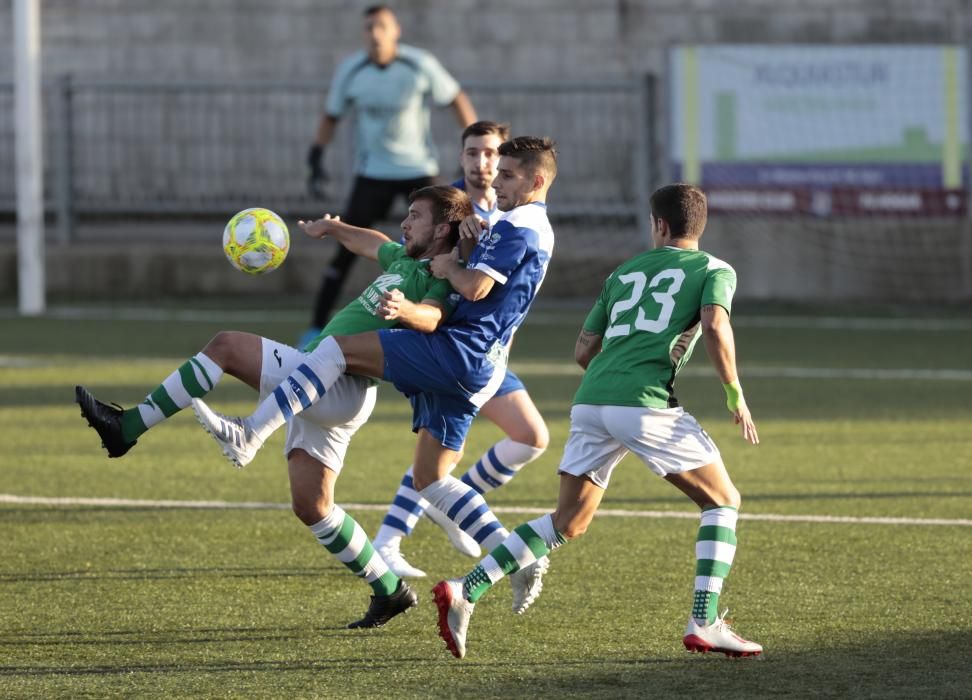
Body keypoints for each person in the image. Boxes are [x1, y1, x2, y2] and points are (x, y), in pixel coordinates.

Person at [75, 185, 474, 630]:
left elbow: (434, 316)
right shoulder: (403, 257)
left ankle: (127, 427)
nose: (404, 223)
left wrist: (406, 310)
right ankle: (389, 591)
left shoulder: (439, 272)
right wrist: (334, 228)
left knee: (226, 346)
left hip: (336, 383)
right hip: (323, 385)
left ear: (441, 229)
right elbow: (373, 243)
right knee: (313, 506)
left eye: (414, 216)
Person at [194, 136, 558, 616]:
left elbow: (472, 287)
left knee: (339, 349)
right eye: (490, 164)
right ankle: (518, 552)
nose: (495, 176)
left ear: (535, 180)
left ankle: (253, 431)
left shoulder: (520, 228)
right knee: (430, 478)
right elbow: (415, 251)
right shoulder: (514, 223)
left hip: (457, 352)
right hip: (475, 361)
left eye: (507, 172)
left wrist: (448, 264)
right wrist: (472, 233)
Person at [432, 183, 763, 660]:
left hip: (590, 401)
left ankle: (467, 587)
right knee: (723, 501)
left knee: (568, 521)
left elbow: (583, 349)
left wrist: (613, 386)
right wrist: (735, 392)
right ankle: (704, 621)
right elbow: (714, 323)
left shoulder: (623, 271)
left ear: (659, 225)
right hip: (644, 402)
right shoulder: (715, 269)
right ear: (697, 225)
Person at [372, 120, 551, 578]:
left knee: (530, 438)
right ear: (462, 158)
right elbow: (418, 256)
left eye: (492, 156)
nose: (483, 165)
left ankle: (451, 505)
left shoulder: (514, 216)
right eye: (473, 154)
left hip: (488, 350)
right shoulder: (449, 206)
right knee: (435, 462)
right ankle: (390, 541)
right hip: (456, 341)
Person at [302, 4, 477, 347]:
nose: (375, 33)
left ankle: (446, 317)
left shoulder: (419, 64)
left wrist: (469, 143)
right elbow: (330, 115)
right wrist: (316, 155)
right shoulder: (352, 71)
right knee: (344, 248)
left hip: (418, 168)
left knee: (447, 243)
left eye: (382, 26)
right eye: (369, 28)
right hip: (373, 172)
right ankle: (315, 325)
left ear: (395, 31)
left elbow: (456, 97)